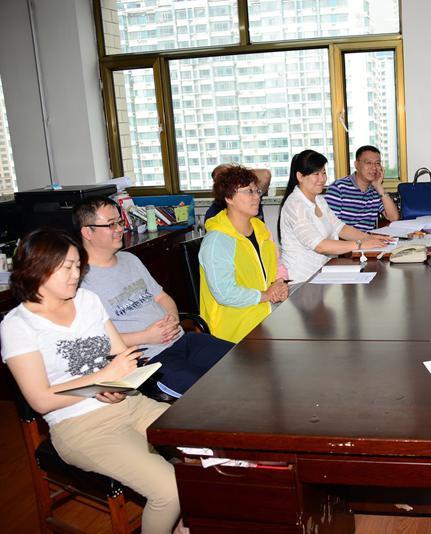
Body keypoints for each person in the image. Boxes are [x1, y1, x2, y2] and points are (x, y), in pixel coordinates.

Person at [0, 229, 186, 533]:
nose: (76, 275)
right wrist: (102, 378)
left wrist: (116, 385)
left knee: (203, 452)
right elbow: (40, 400)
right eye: (67, 267)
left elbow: (121, 356)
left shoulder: (87, 300)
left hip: (130, 404)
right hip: (81, 427)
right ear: (37, 268)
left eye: (78, 266)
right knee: (170, 490)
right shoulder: (18, 325)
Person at [75, 196, 233, 401]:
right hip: (149, 360)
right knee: (215, 395)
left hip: (182, 340)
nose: (120, 229)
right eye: (111, 224)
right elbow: (96, 342)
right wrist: (147, 336)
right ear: (87, 232)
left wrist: (172, 320)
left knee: (242, 363)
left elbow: (162, 297)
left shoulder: (130, 259)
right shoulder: (79, 282)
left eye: (120, 222)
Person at [199, 165, 289, 343]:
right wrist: (266, 295)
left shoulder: (260, 228)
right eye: (249, 192)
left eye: (257, 191)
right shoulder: (217, 241)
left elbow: (275, 265)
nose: (257, 197)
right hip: (234, 329)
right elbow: (225, 293)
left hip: (267, 315)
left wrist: (280, 284)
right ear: (229, 198)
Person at [278, 149, 393, 282]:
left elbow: (340, 228)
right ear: (300, 176)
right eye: (316, 174)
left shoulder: (319, 200)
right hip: (301, 280)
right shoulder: (295, 205)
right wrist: (360, 244)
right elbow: (319, 245)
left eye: (324, 173)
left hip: (323, 273)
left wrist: (369, 238)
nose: (322, 179)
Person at [324, 145, 399, 231]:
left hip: (368, 238)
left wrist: (379, 186)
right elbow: (330, 227)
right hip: (345, 239)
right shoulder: (338, 188)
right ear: (356, 165)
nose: (374, 167)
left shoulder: (375, 190)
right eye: (368, 163)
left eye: (377, 163)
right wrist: (364, 238)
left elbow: (393, 218)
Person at [204, 164, 272, 225]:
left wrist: (240, 173)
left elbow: (265, 174)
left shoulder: (251, 194)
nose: (257, 197)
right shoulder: (213, 214)